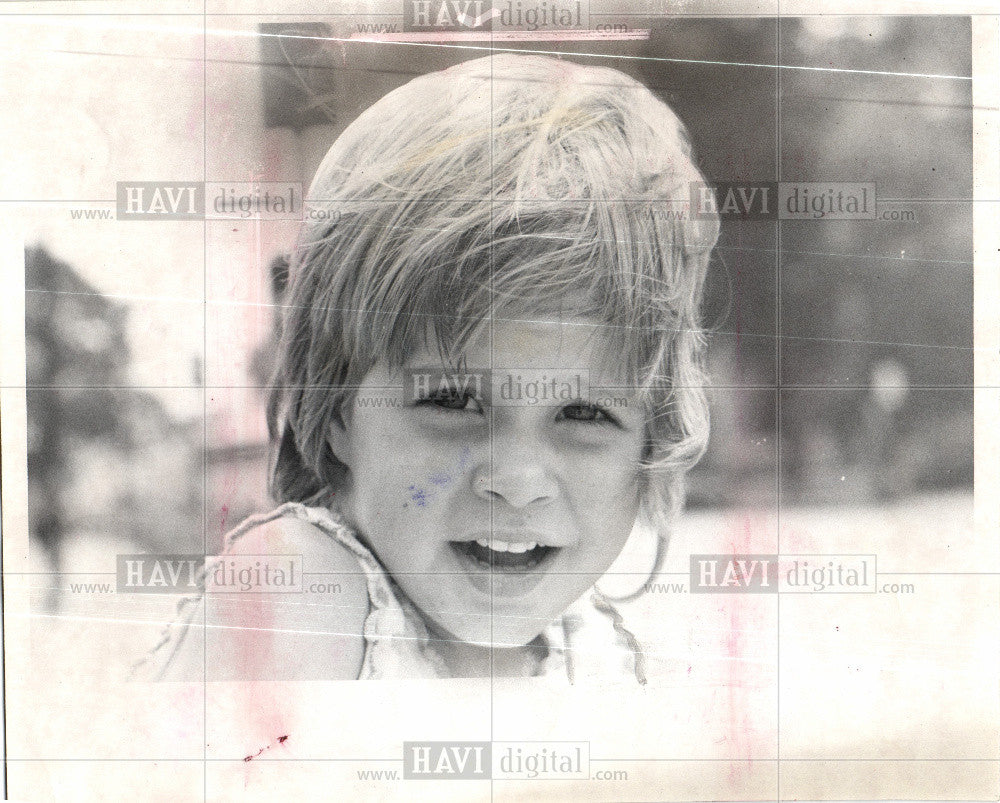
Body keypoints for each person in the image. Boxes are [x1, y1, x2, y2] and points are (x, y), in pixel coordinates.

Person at [135, 53, 719, 684]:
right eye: (453, 402)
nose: (516, 481)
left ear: (649, 444)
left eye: (584, 412)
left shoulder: (597, 655)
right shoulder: (303, 588)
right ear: (337, 411)